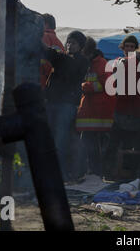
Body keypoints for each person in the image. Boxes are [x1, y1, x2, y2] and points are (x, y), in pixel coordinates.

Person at [103, 37, 140, 180]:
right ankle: (109, 172)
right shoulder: (129, 62)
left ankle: (131, 174)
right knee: (115, 143)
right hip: (124, 108)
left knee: (137, 146)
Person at [43, 30, 89, 181]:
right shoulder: (62, 58)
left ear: (80, 46)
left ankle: (61, 175)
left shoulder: (81, 61)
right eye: (68, 42)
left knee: (60, 142)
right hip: (52, 102)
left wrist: (54, 54)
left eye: (74, 43)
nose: (69, 45)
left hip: (66, 105)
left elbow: (69, 65)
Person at [76, 37, 116, 177]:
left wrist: (83, 86)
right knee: (88, 144)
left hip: (99, 112)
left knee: (92, 145)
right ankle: (92, 170)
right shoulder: (86, 63)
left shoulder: (102, 64)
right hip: (89, 110)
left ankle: (97, 171)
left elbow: (106, 84)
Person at [40, 14, 65, 89]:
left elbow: (43, 62)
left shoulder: (43, 37)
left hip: (42, 81)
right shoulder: (60, 43)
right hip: (54, 83)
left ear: (46, 24)